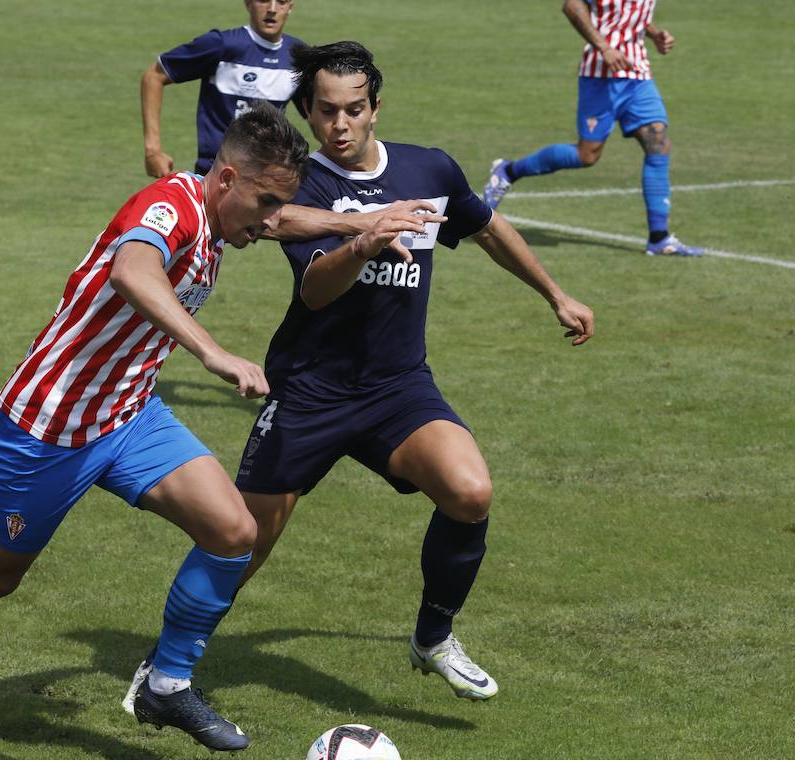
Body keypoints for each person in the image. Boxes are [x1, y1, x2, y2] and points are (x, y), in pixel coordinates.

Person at [125, 41, 594, 709]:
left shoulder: (427, 168)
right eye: (323, 112)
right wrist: (363, 240)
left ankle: (433, 638)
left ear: (375, 107)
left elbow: (485, 226)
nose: (338, 125)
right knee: (244, 541)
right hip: (310, 392)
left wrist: (556, 293)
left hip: (397, 389)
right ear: (308, 113)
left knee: (470, 491)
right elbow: (316, 289)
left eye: (352, 110)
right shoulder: (296, 186)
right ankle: (164, 667)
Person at [0, 104, 310, 753]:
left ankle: (167, 682)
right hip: (46, 426)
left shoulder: (227, 217)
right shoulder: (173, 207)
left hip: (127, 413)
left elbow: (293, 219)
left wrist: (371, 223)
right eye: (264, 203)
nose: (271, 223)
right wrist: (210, 352)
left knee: (234, 530)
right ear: (225, 179)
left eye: (280, 208)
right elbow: (132, 271)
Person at [484, 0, 703, 257]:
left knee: (658, 143)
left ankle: (659, 238)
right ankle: (509, 171)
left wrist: (653, 32)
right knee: (586, 155)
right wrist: (605, 47)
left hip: (637, 74)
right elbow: (573, 5)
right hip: (601, 76)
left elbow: (628, 11)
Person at [141, 0, 303, 179]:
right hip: (215, 178)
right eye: (263, 0)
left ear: (291, 6)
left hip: (266, 181)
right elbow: (153, 77)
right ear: (248, 3)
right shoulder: (220, 45)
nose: (272, 9)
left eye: (281, 1)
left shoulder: (298, 57)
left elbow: (321, 112)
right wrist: (153, 151)